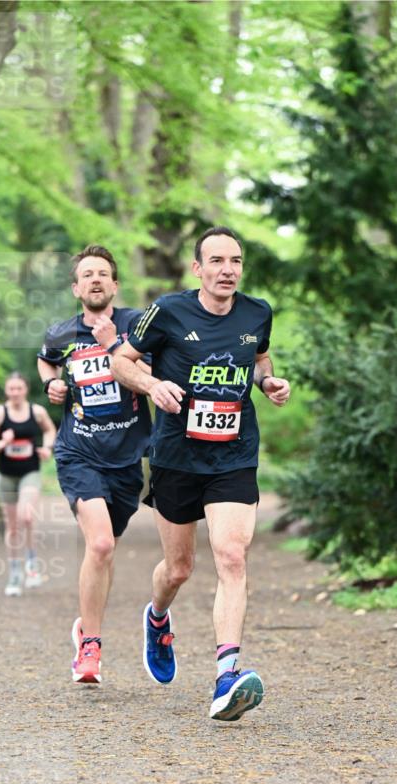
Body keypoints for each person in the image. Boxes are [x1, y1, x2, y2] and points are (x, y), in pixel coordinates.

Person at [111, 226, 290, 721]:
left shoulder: (257, 312)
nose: (227, 270)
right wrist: (151, 384)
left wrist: (267, 380)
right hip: (175, 456)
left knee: (232, 555)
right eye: (216, 261)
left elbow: (257, 357)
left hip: (234, 454)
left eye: (234, 261)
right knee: (179, 569)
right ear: (198, 268)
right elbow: (119, 360)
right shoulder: (167, 311)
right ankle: (158, 616)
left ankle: (227, 675)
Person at [36, 245, 152, 685]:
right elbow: (46, 360)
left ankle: (85, 626)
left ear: (115, 285)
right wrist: (52, 385)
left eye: (103, 273)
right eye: (88, 275)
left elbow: (155, 369)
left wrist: (115, 347)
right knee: (100, 545)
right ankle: (91, 648)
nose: (96, 280)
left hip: (127, 458)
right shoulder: (61, 334)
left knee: (106, 550)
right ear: (76, 287)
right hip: (78, 451)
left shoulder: (137, 326)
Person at [0, 372, 57, 597]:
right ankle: (15, 572)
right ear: (6, 391)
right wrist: (2, 443)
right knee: (12, 526)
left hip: (30, 472)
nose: (15, 392)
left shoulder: (37, 411)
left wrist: (47, 447)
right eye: (11, 389)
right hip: (5, 476)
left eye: (19, 388)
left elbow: (50, 430)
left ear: (25, 390)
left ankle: (31, 564)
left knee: (27, 516)